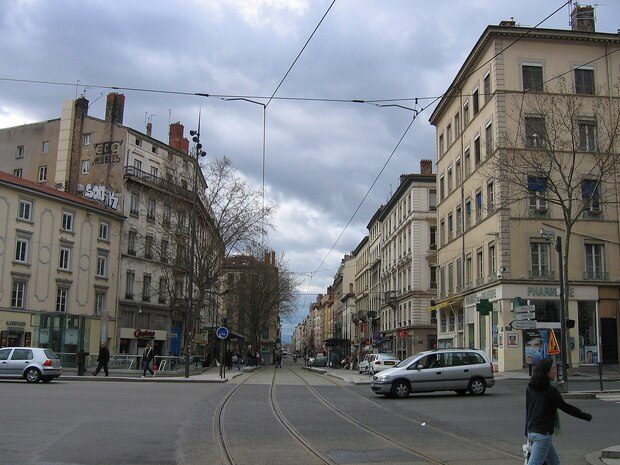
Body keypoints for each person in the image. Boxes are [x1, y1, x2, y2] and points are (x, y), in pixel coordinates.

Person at [525, 358, 592, 465]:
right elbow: (565, 407)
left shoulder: (530, 387)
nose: (555, 372)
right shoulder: (551, 391)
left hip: (533, 432)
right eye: (553, 369)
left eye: (555, 369)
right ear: (545, 371)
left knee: (554, 462)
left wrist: (527, 431)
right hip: (542, 434)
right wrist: (584, 416)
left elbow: (529, 411)